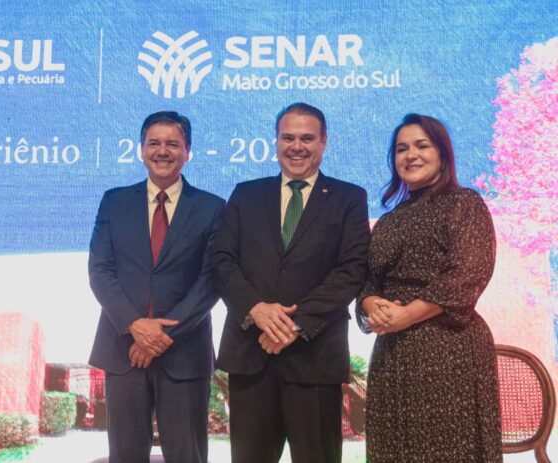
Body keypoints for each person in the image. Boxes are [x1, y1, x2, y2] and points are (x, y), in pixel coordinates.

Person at [213, 102, 371, 463]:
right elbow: (221, 261)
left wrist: (293, 324)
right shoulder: (245, 194)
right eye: (288, 138)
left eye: (307, 138)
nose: (296, 146)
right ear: (276, 141)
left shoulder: (349, 198)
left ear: (324, 142)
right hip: (251, 354)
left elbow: (351, 270)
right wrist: (256, 309)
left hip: (314, 358)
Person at [357, 113, 502, 462]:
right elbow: (367, 282)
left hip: (450, 351)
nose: (411, 155)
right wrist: (372, 304)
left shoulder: (464, 203)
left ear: (442, 153)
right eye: (401, 149)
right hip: (394, 356)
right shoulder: (388, 221)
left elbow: (467, 274)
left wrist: (407, 315)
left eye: (422, 146)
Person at [88, 111, 224, 463]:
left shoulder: (212, 208)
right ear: (141, 149)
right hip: (124, 350)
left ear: (188, 151)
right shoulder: (114, 202)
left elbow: (211, 280)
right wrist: (135, 326)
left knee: (187, 455)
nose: (163, 151)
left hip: (184, 353)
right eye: (154, 143)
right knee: (125, 455)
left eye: (173, 144)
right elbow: (100, 271)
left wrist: (161, 335)